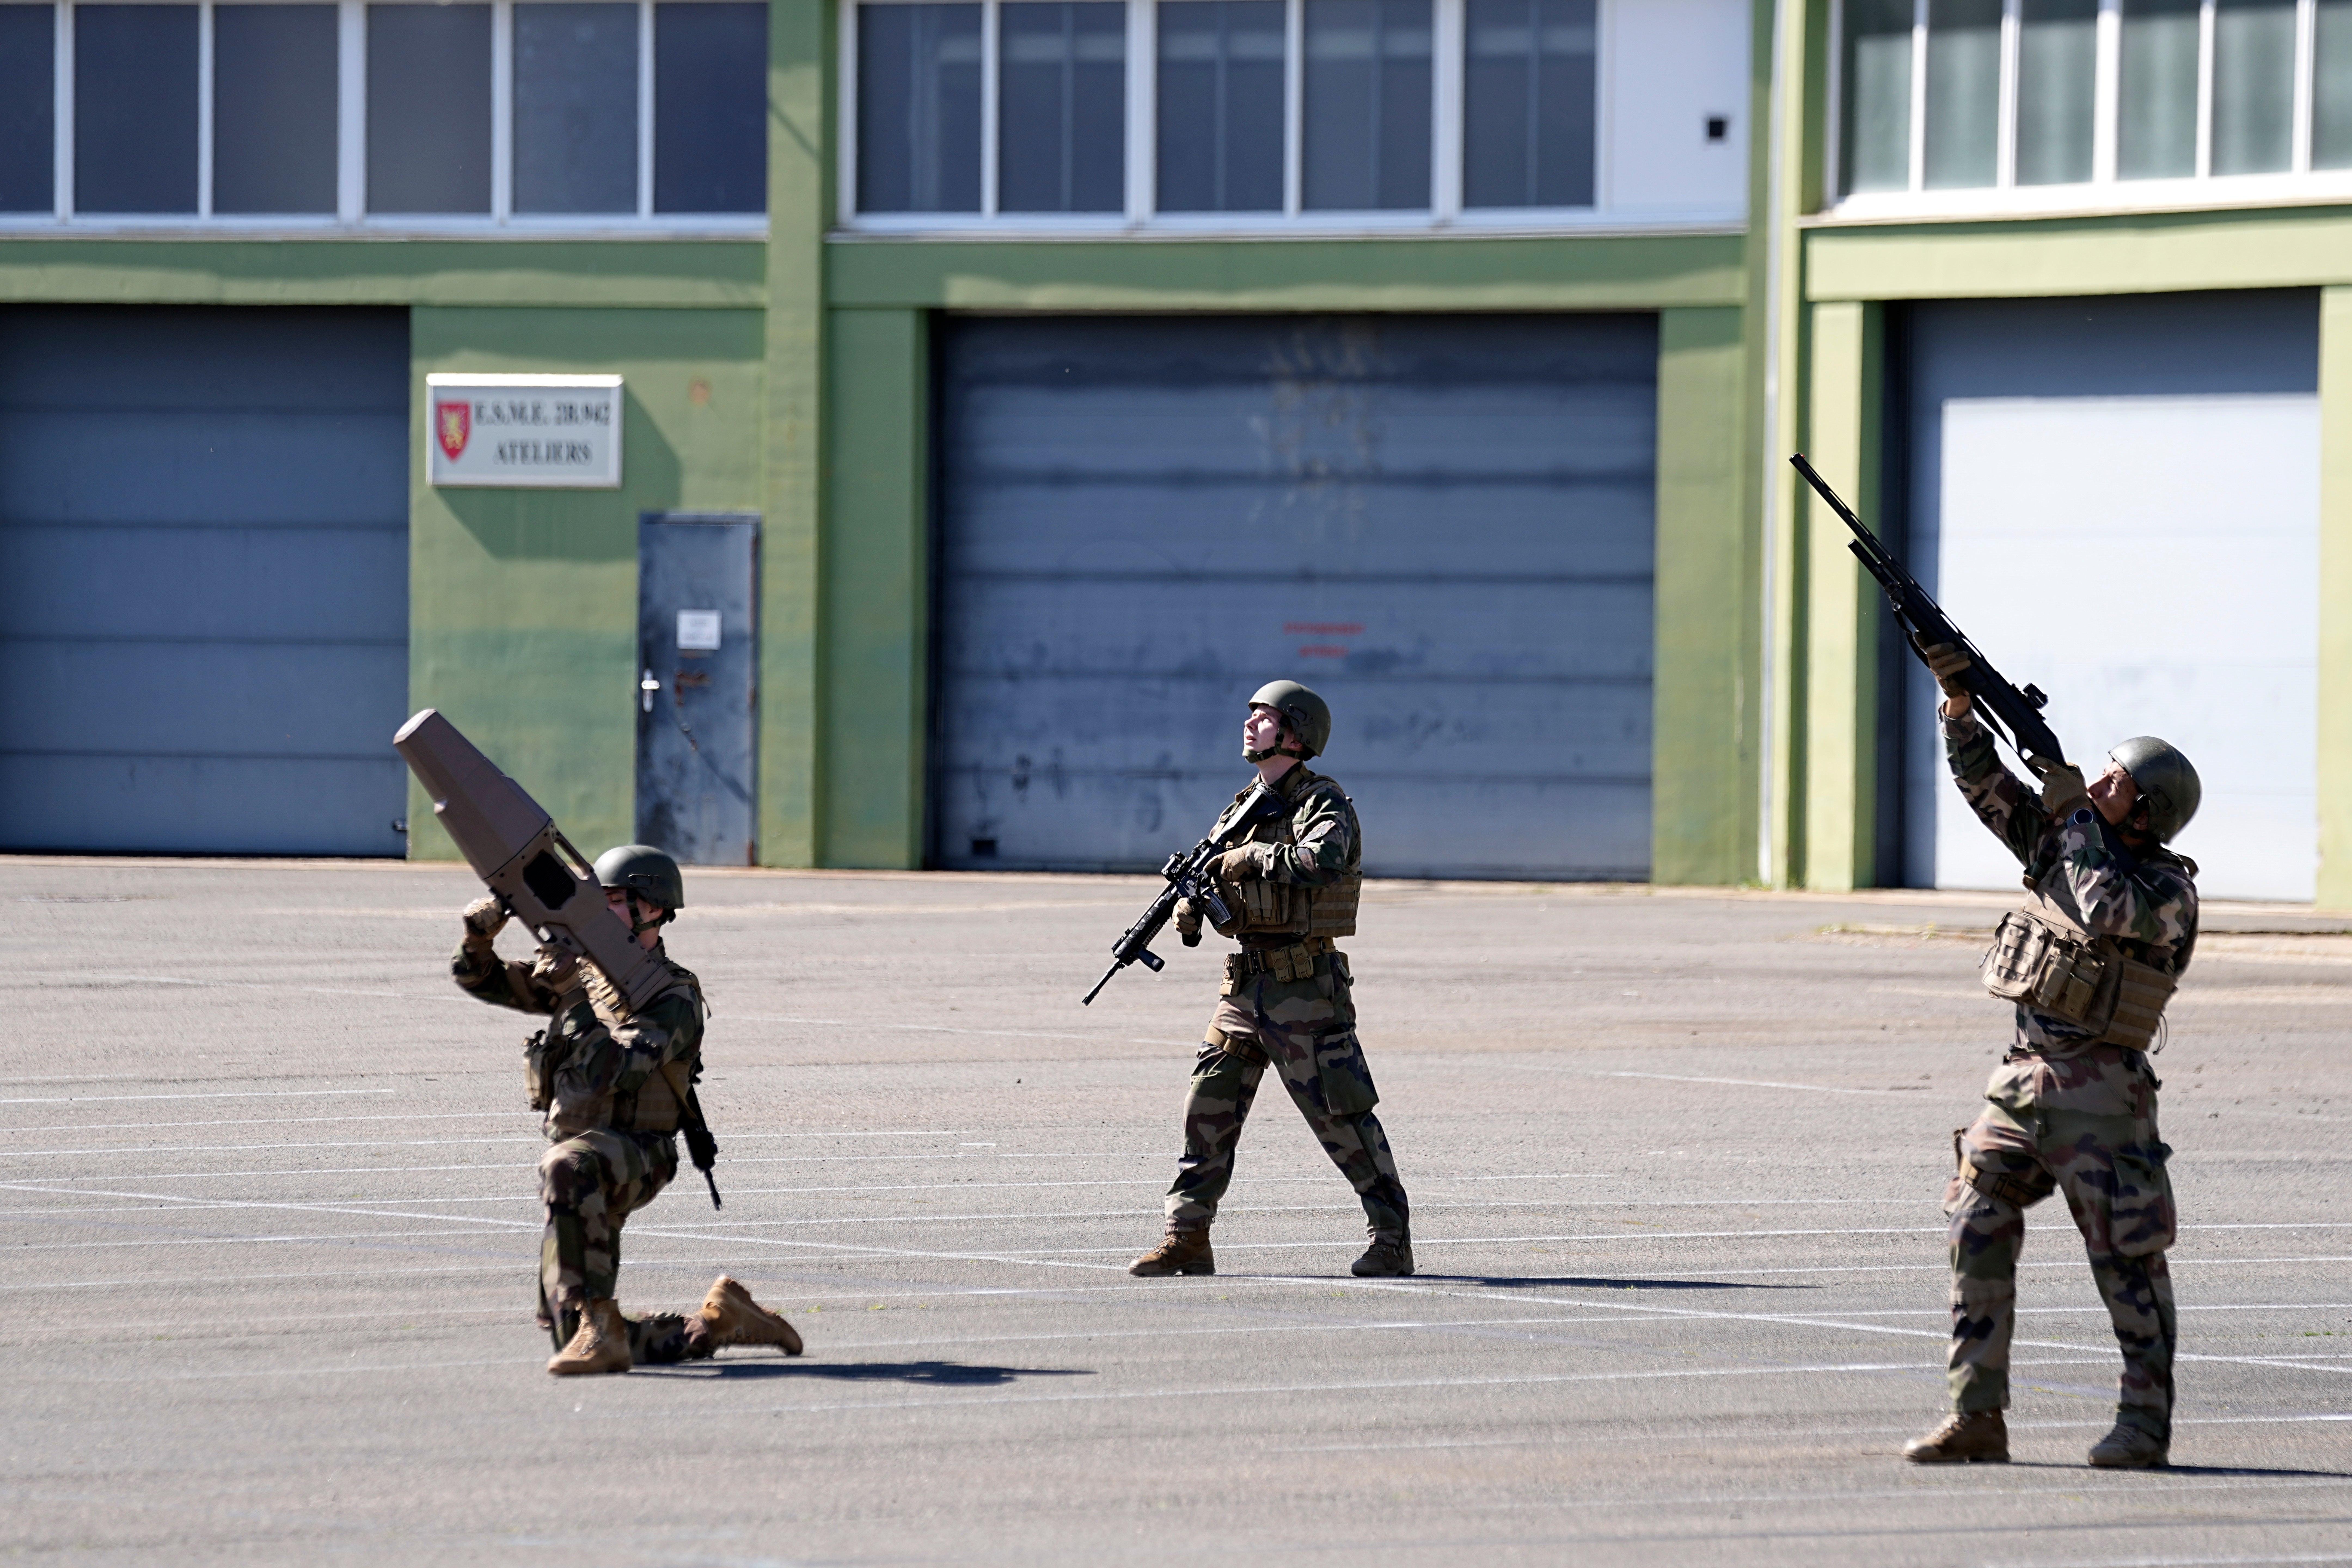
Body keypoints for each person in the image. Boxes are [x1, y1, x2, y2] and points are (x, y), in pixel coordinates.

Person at [1903, 643, 2201, 1469]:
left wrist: (2073, 818)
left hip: (2103, 1096)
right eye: (2098, 775)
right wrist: (1961, 705)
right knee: (1976, 1219)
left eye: (2115, 784)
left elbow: (2106, 909)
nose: (2096, 786)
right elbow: (1984, 789)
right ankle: (1977, 1418)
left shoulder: (2166, 891)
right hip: (2023, 1081)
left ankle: (2144, 1426)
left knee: (2125, 1262)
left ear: (2145, 815)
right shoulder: (2063, 845)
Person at [452, 843, 804, 1375]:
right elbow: (486, 981)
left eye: (615, 900)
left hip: (639, 1149)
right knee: (566, 1334)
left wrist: (571, 996)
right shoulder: (586, 974)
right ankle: (716, 1323)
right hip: (585, 1146)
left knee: (566, 1166)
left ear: (655, 909)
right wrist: (479, 940)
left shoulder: (671, 995)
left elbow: (612, 1074)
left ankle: (600, 1324)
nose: (599, 910)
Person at [1128, 680, 1414, 1281]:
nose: (1250, 723)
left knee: (1341, 1115)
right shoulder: (1243, 803)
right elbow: (1218, 870)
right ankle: (1187, 1237)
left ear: (1295, 731)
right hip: (1244, 988)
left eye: (1263, 717)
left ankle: (1391, 1239)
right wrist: (1195, 906)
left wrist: (1251, 858)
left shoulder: (1322, 801)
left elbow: (1322, 860)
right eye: (1251, 715)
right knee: (1206, 1104)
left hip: (1304, 988)